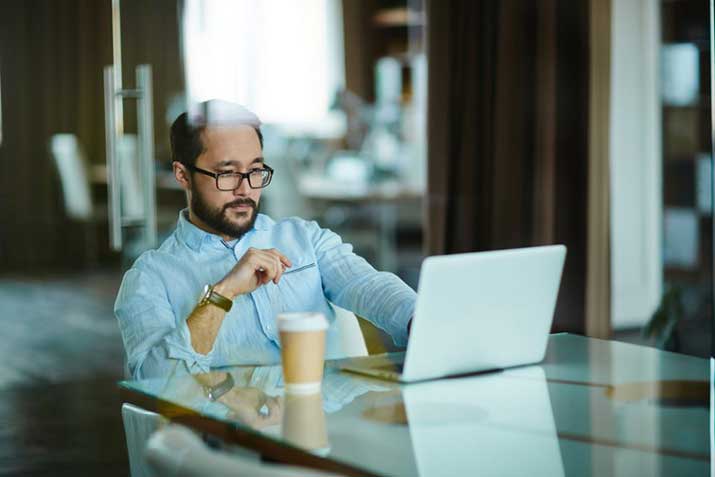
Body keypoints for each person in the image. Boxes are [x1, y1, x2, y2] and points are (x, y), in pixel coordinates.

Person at [115, 100, 416, 379]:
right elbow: (155, 380)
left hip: (333, 424)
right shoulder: (150, 277)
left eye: (256, 171)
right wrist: (224, 293)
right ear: (183, 175)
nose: (245, 190)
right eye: (228, 173)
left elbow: (368, 286)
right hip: (236, 432)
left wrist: (419, 320)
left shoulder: (305, 238)